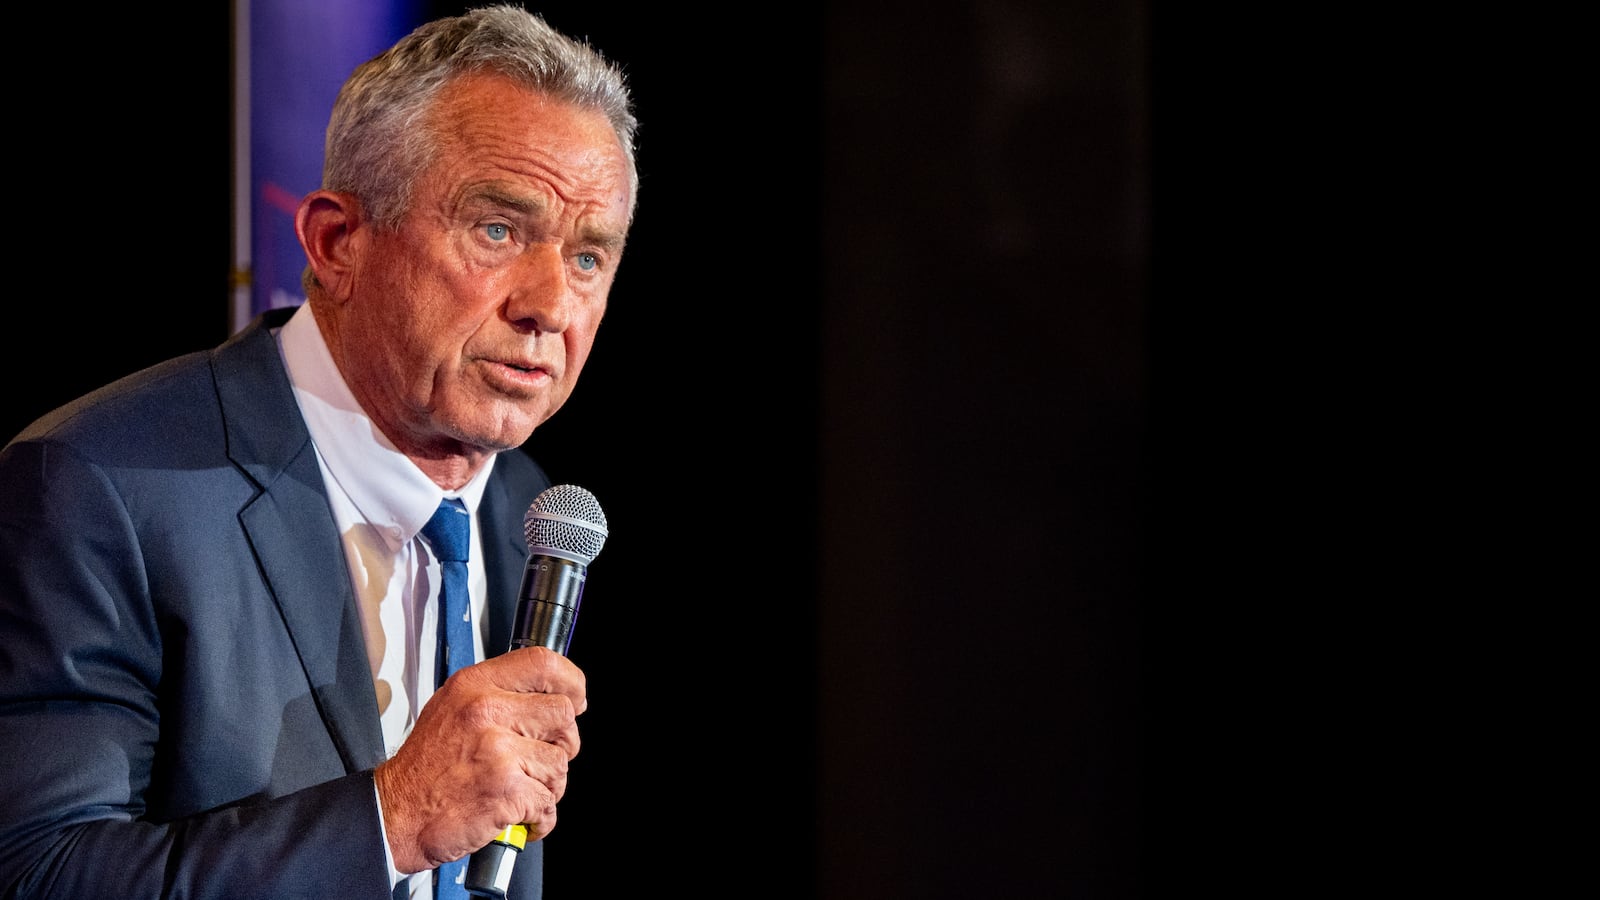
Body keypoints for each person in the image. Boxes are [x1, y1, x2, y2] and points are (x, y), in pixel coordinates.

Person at [0, 5, 637, 898]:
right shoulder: (102, 487)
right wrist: (394, 818)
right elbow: (37, 873)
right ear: (338, 243)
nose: (551, 306)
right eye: (497, 230)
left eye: (588, 258)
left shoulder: (525, 510)